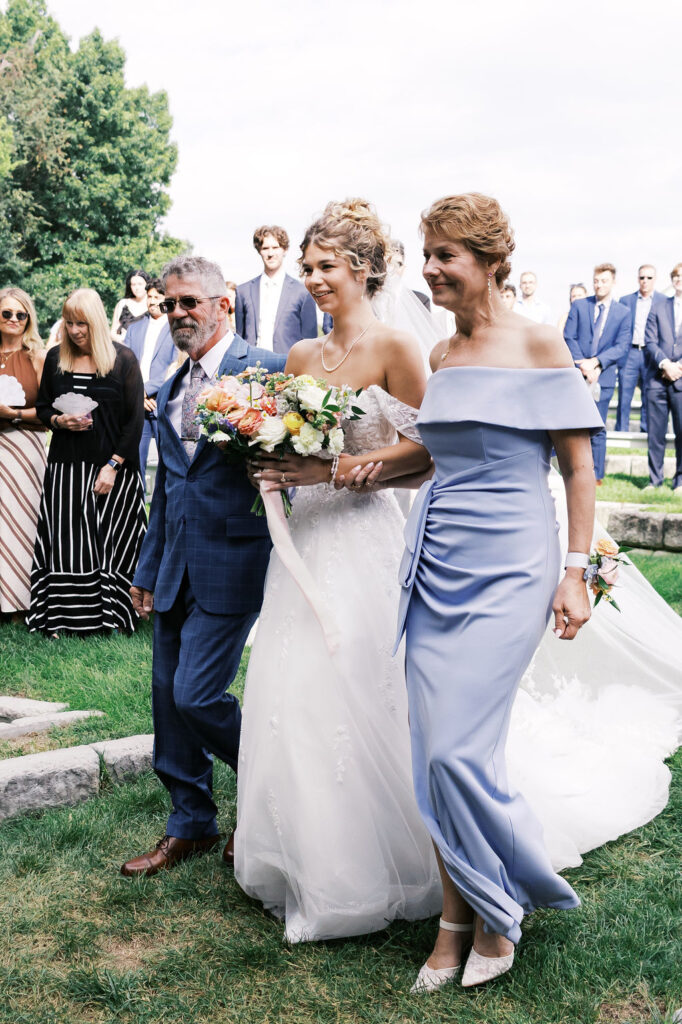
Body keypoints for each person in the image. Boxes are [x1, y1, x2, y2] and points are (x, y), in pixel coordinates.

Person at [380, 193, 602, 991]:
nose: (431, 268)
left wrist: (575, 571)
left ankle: (499, 911)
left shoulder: (541, 342)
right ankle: (457, 919)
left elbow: (578, 466)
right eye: (428, 252)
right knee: (433, 755)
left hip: (512, 563)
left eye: (446, 256)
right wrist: (357, 465)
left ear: (490, 263)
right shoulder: (440, 358)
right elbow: (430, 457)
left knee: (455, 750)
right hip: (435, 559)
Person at [235, 199, 442, 941]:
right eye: (307, 268)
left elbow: (430, 455)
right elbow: (294, 453)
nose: (314, 279)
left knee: (362, 686)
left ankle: (387, 859)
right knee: (296, 689)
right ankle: (305, 858)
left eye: (326, 267)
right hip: (308, 545)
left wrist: (354, 466)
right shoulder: (297, 360)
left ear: (362, 269)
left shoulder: (396, 349)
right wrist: (270, 464)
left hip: (367, 541)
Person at [121, 257, 286, 878]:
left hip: (237, 560)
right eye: (170, 304)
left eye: (191, 302)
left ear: (224, 304)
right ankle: (188, 822)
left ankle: (273, 787)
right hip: (173, 567)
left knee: (196, 695)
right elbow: (166, 488)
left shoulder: (266, 373)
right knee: (167, 700)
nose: (179, 314)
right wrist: (146, 567)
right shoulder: (166, 387)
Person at [27, 289, 147, 636]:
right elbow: (44, 406)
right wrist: (58, 421)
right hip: (65, 469)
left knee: (109, 543)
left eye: (82, 323)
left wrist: (113, 465)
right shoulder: (54, 359)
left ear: (95, 322)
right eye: (69, 322)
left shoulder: (123, 359)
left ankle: (111, 618)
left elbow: (135, 420)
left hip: (113, 470)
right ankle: (65, 620)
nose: (75, 330)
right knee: (67, 544)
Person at [0, 287, 47, 621]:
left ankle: (22, 604)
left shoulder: (38, 357)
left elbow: (48, 411)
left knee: (23, 525)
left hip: (25, 448)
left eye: (21, 314)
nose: (14, 319)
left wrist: (12, 413)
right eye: (7, 313)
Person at [564, 264, 631, 483]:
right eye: (596, 280)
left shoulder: (623, 312)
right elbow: (569, 336)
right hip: (578, 374)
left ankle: (596, 474)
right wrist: (583, 365)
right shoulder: (580, 306)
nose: (599, 285)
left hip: (605, 375)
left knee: (598, 426)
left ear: (613, 282)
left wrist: (597, 363)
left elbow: (622, 345)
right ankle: (574, 469)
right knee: (575, 425)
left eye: (604, 281)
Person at [124, 278, 176, 494]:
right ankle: (137, 517)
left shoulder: (175, 327)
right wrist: (138, 394)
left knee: (167, 463)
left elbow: (175, 367)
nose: (153, 301)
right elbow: (124, 364)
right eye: (150, 296)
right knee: (135, 463)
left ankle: (163, 515)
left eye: (158, 297)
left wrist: (148, 391)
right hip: (137, 405)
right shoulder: (134, 328)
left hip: (161, 403)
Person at [235, 225, 319, 352]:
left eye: (275, 247)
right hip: (251, 367)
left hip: (289, 366)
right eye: (265, 248)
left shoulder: (303, 292)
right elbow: (240, 339)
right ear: (259, 250)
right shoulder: (243, 292)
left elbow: (310, 342)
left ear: (284, 250)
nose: (270, 253)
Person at [644, 261, 682, 494]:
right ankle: (654, 480)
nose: (679, 279)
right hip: (657, 379)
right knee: (655, 435)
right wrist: (665, 363)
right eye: (676, 276)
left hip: (681, 380)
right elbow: (650, 340)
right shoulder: (659, 306)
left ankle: (680, 481)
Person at [617, 265, 663, 433]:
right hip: (630, 352)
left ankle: (646, 430)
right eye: (642, 277)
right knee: (624, 393)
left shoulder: (663, 300)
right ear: (638, 279)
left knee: (648, 393)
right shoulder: (625, 300)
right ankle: (621, 431)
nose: (645, 281)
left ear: (655, 279)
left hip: (651, 354)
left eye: (649, 278)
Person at [110, 268, 150, 341]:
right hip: (123, 348)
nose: (137, 288)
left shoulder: (153, 305)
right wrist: (123, 339)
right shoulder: (123, 303)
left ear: (147, 284)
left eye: (140, 284)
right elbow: (112, 332)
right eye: (133, 284)